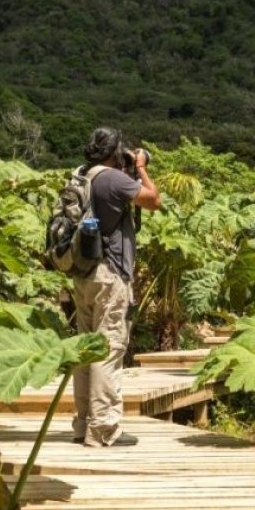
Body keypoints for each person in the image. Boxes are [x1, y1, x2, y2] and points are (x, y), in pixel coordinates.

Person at [71, 127, 161, 447]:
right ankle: (104, 428)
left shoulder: (81, 174)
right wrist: (140, 167)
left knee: (85, 350)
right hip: (109, 272)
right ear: (114, 152)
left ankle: (83, 424)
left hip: (82, 272)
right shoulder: (114, 179)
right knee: (108, 348)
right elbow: (153, 199)